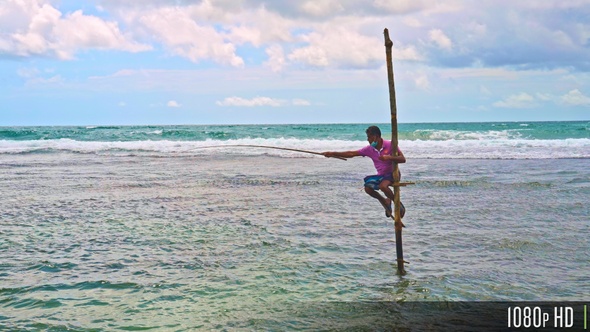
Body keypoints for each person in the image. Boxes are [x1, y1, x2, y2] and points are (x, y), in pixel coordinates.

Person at [322, 125, 406, 219]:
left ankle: (398, 204)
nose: (368, 140)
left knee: (383, 186)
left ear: (376, 137)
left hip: (393, 174)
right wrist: (332, 153)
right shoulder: (369, 149)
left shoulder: (390, 145)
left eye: (369, 137)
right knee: (367, 188)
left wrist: (389, 157)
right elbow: (352, 153)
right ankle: (385, 201)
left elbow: (403, 159)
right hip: (381, 176)